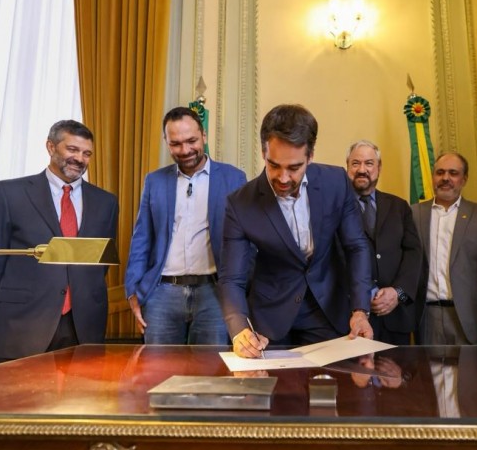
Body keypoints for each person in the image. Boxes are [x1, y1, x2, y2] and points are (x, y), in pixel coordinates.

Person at [218, 104, 373, 358]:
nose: (283, 177)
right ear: (263, 152)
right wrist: (239, 329)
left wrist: (360, 309)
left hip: (326, 311)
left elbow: (356, 246)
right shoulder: (240, 203)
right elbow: (231, 278)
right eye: (274, 165)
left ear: (310, 156)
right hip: (269, 319)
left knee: (326, 393)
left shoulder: (336, 182)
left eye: (294, 168)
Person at [0, 120, 118, 363]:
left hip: (83, 325)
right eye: (72, 150)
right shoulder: (9, 193)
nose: (80, 159)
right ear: (51, 147)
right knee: (17, 400)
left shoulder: (106, 202)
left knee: (79, 401)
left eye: (87, 153)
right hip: (23, 323)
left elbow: (100, 263)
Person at [124, 106, 246, 344]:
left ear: (204, 136)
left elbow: (246, 242)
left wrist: (243, 291)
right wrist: (133, 291)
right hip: (162, 293)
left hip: (214, 293)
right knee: (158, 375)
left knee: (211, 374)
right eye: (176, 144)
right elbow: (142, 238)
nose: (185, 150)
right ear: (167, 142)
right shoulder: (155, 181)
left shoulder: (234, 178)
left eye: (191, 141)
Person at [411, 152, 477, 346]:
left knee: (473, 376)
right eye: (440, 172)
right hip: (426, 318)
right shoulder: (412, 214)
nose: (446, 178)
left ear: (464, 179)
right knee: (430, 376)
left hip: (471, 318)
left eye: (453, 173)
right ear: (433, 177)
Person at [345, 139, 424, 345]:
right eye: (356, 163)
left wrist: (398, 293)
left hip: (395, 317)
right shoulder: (335, 207)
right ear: (347, 167)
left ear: (379, 168)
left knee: (394, 373)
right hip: (350, 319)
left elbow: (413, 253)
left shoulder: (399, 206)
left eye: (369, 163)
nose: (362, 169)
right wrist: (363, 296)